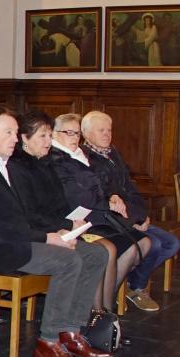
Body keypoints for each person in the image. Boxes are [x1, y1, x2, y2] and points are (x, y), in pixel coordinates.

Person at [0, 105, 109, 357]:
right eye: (9, 132)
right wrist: (46, 238)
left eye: (15, 132)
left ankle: (69, 332)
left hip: (15, 241)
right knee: (68, 261)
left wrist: (57, 232)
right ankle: (47, 343)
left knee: (96, 254)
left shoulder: (1, 164)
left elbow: (20, 217)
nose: (15, 137)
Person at [46, 113, 148, 314]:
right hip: (77, 222)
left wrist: (112, 197)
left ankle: (106, 308)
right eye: (69, 133)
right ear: (55, 135)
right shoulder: (57, 159)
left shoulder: (78, 156)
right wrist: (107, 203)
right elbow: (77, 197)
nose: (74, 137)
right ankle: (99, 312)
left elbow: (103, 185)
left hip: (96, 217)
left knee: (140, 243)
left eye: (76, 133)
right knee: (106, 250)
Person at [82, 111, 180, 312]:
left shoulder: (113, 153)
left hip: (130, 217)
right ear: (86, 133)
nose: (107, 134)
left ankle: (129, 284)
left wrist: (141, 216)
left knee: (171, 244)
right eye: (101, 130)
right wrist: (133, 220)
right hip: (111, 222)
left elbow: (130, 189)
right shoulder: (86, 159)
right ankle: (136, 288)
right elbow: (106, 196)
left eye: (109, 130)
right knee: (154, 244)